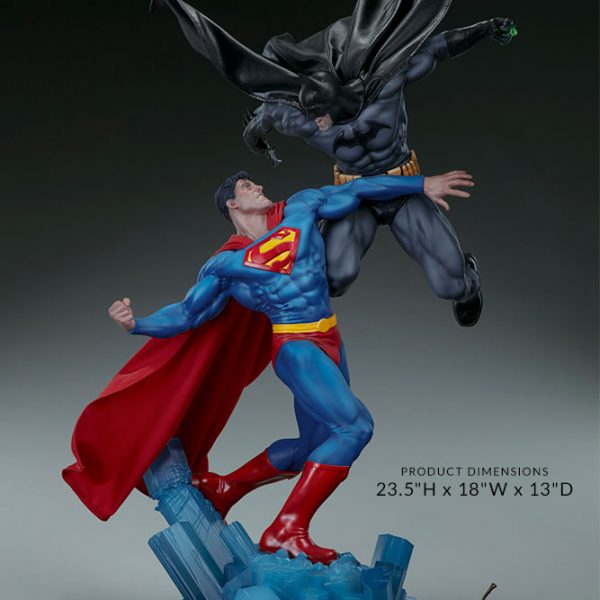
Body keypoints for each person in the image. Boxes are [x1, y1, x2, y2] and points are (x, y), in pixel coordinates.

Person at [108, 168, 474, 564]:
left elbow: (359, 189)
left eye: (255, 182)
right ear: (232, 204)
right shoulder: (225, 265)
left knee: (311, 447)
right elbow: (187, 313)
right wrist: (136, 323)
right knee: (354, 428)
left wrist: (421, 184)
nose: (258, 187)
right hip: (297, 348)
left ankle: (228, 488)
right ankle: (287, 528)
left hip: (330, 338)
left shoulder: (302, 207)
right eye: (247, 186)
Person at [151, 0, 517, 321]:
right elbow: (260, 119)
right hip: (354, 196)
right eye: (311, 114)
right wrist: (258, 143)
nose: (318, 123)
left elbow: (437, 47)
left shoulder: (385, 86)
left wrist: (484, 29)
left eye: (321, 114)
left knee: (452, 284)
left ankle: (468, 276)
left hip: (402, 187)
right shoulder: (301, 118)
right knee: (332, 279)